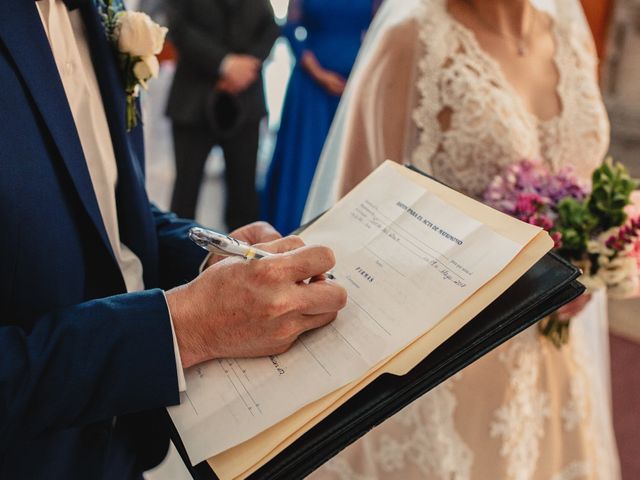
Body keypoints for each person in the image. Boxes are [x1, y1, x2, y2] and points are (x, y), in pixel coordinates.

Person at [0, 1, 346, 478]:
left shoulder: (99, 10)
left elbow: (109, 211)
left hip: (122, 442)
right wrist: (183, 329)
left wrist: (211, 256)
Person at [304, 0, 621, 478]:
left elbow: (586, 180)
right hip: (451, 366)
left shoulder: (571, 33)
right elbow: (350, 236)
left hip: (552, 351)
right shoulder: (410, 39)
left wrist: (597, 255)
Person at [261, 0, 377, 235]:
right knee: (306, 157)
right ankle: (293, 230)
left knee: (349, 157)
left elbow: (381, 27)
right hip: (310, 87)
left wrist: (364, 72)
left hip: (356, 82)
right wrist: (316, 71)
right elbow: (291, 27)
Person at [166, 0, 279, 229]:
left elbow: (270, 27)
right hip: (193, 97)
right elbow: (178, 26)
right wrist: (224, 64)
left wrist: (247, 66)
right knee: (185, 194)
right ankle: (179, 260)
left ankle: (244, 261)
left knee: (244, 196)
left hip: (246, 97)